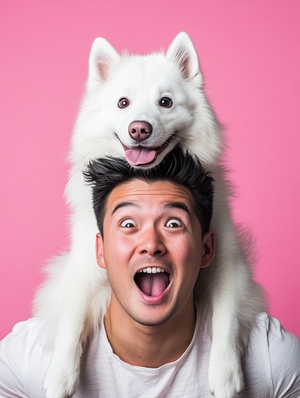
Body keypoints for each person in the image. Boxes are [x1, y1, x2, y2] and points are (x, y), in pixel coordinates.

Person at [0, 147, 299, 397]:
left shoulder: (271, 360)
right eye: (129, 224)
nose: (151, 244)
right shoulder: (30, 361)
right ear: (100, 251)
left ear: (207, 249)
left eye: (173, 223)